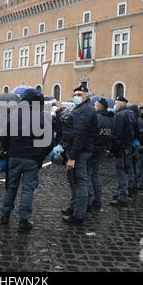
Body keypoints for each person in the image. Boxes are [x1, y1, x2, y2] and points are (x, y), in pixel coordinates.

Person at [0, 88, 53, 232]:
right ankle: (24, 220)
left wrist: (5, 149)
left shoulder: (15, 114)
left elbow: (3, 135)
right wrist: (40, 155)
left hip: (14, 156)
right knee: (28, 190)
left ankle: (4, 215)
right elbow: (49, 141)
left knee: (11, 187)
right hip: (32, 159)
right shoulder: (42, 117)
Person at [61, 86, 97, 225]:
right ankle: (73, 207)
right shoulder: (81, 108)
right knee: (73, 181)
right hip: (79, 150)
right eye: (75, 93)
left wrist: (72, 157)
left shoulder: (85, 110)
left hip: (79, 152)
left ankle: (79, 215)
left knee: (80, 183)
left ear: (86, 95)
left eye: (79, 94)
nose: (76, 96)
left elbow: (80, 136)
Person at [86, 97, 112, 211]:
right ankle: (98, 199)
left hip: (92, 149)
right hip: (100, 149)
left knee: (87, 175)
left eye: (95, 105)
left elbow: (90, 134)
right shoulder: (109, 119)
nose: (94, 106)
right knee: (95, 175)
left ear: (100, 106)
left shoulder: (96, 118)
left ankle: (89, 200)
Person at [110, 97, 135, 207]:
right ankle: (122, 193)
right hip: (128, 147)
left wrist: (114, 149)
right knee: (126, 170)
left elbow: (117, 134)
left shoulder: (120, 115)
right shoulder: (131, 114)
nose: (115, 105)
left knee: (121, 172)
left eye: (116, 103)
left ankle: (122, 197)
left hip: (121, 148)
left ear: (121, 104)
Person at [127, 105, 142, 197]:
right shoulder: (139, 120)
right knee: (136, 167)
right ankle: (135, 186)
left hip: (132, 145)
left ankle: (130, 187)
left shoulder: (132, 120)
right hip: (137, 145)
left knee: (130, 167)